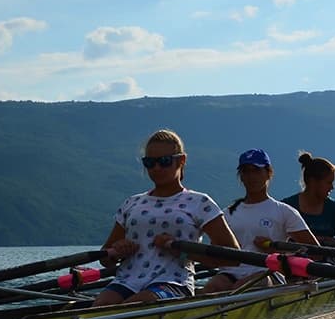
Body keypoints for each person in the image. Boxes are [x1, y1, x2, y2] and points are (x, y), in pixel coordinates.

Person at [94, 129, 240, 306]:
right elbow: (105, 258)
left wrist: (184, 251)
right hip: (126, 281)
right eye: (149, 162)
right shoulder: (131, 203)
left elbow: (232, 256)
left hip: (174, 282)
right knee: (101, 305)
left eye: (164, 161)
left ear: (182, 160)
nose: (156, 168)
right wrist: (117, 251)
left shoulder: (199, 202)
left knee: (136, 305)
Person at [202, 149, 318, 294]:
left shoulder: (284, 211)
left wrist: (275, 251)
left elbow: (314, 250)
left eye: (256, 170)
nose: (251, 176)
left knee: (242, 287)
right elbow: (215, 252)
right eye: (246, 171)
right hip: (230, 273)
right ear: (241, 176)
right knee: (210, 288)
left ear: (268, 173)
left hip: (268, 272)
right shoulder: (226, 214)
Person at [280, 152, 335, 243]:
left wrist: (326, 241)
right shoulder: (286, 206)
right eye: (329, 182)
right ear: (313, 181)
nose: (332, 187)